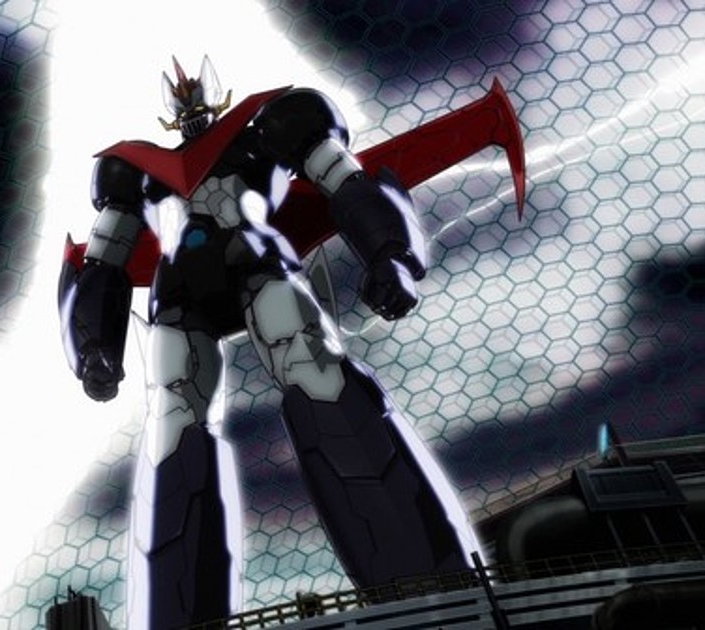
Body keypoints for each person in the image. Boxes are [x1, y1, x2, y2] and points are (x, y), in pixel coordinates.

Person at [59, 56, 492, 629]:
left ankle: (428, 586)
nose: (189, 102)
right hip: (181, 292)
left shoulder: (268, 128)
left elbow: (347, 181)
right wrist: (94, 346)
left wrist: (389, 253)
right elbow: (102, 262)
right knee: (173, 422)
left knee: (315, 373)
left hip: (258, 263)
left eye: (196, 93)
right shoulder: (136, 172)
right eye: (180, 97)